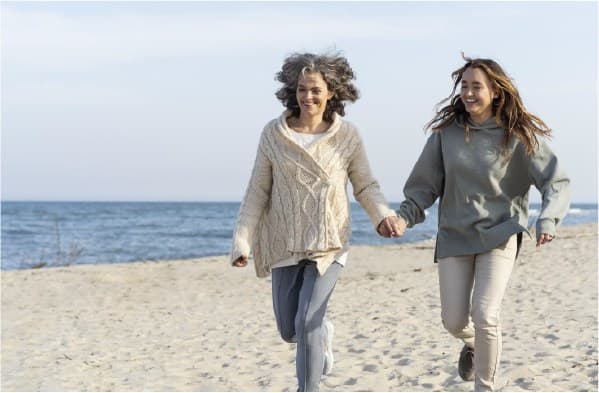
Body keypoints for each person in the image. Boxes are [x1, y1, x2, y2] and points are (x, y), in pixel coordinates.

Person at [395, 54, 570, 391]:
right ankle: (473, 344)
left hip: (500, 234)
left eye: (477, 86)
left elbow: (555, 181)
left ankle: (484, 386)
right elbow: (423, 187)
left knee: (486, 314)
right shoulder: (445, 136)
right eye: (465, 86)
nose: (469, 93)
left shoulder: (518, 136)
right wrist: (403, 219)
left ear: (496, 92)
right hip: (455, 236)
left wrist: (547, 219)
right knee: (454, 320)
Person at [230, 51, 404, 392]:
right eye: (301, 89)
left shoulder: (347, 136)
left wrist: (382, 216)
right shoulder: (273, 134)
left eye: (315, 90)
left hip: (330, 242)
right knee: (289, 329)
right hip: (284, 241)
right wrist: (242, 241)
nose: (308, 97)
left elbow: (365, 185)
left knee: (308, 319)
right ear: (292, 91)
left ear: (331, 92)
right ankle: (323, 335)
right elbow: (257, 191)